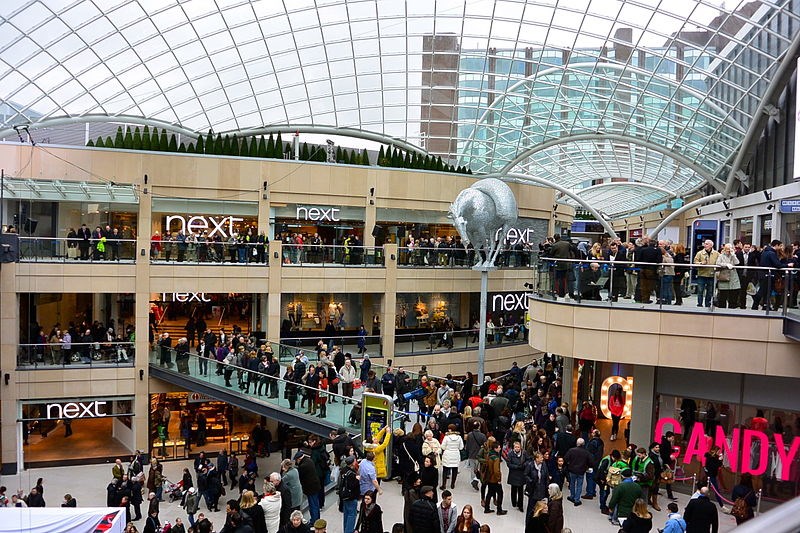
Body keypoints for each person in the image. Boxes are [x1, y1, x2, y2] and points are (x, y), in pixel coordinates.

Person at [563, 437, 593, 506]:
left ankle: (572, 496)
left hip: (572, 470)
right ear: (584, 444)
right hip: (581, 471)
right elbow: (591, 462)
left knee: (572, 483)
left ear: (577, 443)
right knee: (579, 485)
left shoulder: (571, 450)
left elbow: (565, 458)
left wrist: (569, 464)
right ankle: (577, 500)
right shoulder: (586, 452)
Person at [440, 425, 464, 490]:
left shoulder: (446, 437)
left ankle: (444, 485)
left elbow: (443, 447)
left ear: (450, 429)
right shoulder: (459, 437)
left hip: (447, 454)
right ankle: (452, 484)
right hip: (456, 454)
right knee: (455, 470)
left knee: (445, 470)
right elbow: (461, 447)